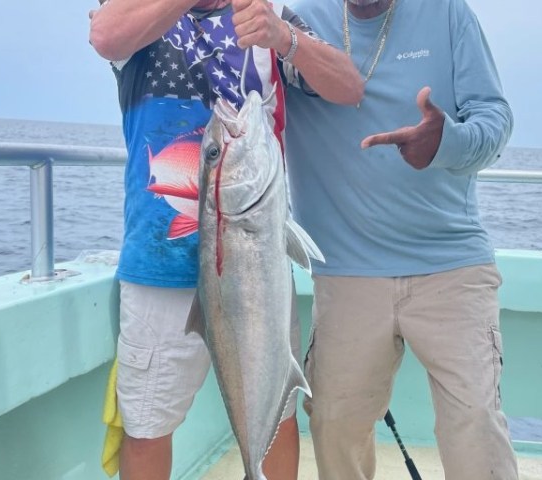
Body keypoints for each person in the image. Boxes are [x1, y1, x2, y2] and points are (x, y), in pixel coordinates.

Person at [88, 1, 363, 479]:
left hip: (258, 260)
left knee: (276, 417)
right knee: (148, 423)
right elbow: (106, 36)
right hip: (159, 266)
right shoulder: (143, 12)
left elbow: (349, 87)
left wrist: (284, 38)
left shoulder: (266, 17)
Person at [284, 0, 519, 478]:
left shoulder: (449, 13)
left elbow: (495, 118)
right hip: (346, 272)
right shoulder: (297, 23)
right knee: (334, 423)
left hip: (451, 265)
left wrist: (446, 141)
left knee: (474, 420)